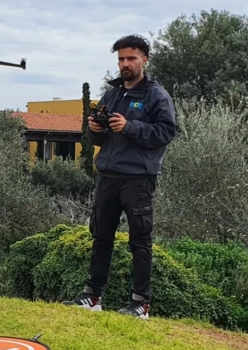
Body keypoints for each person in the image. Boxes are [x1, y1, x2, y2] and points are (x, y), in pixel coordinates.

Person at [63, 34, 176, 319]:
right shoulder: (112, 94)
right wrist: (95, 130)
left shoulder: (156, 96)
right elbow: (97, 140)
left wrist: (129, 127)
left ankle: (141, 303)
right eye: (121, 59)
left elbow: (165, 133)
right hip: (108, 176)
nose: (125, 64)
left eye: (131, 58)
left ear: (144, 60)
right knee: (101, 236)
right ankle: (93, 296)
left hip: (138, 178)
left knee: (140, 240)